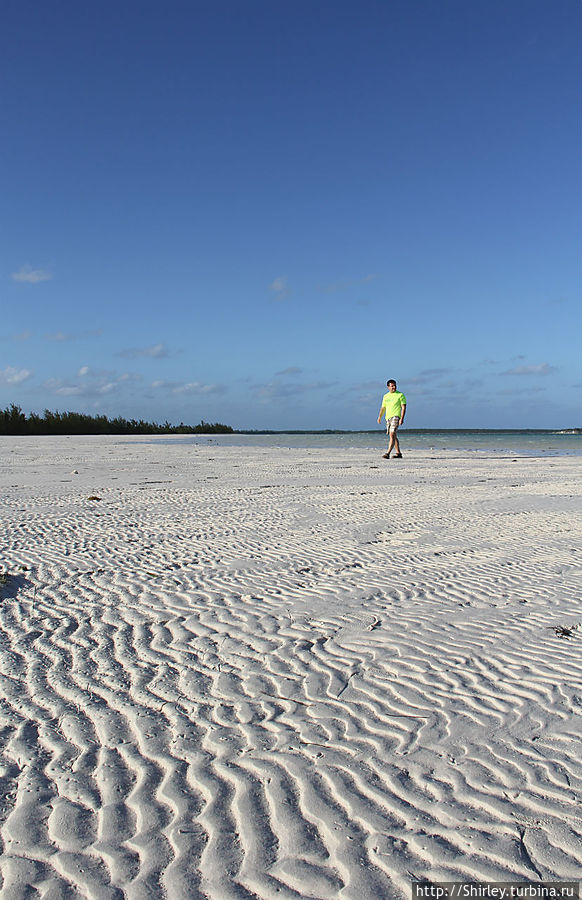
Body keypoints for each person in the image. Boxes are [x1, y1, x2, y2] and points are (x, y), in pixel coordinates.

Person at [377, 379, 406, 459]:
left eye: (395, 385)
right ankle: (398, 453)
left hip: (396, 416)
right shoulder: (385, 396)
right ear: (388, 387)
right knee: (393, 436)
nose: (394, 387)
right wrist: (379, 417)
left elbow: (403, 407)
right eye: (392, 386)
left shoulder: (400, 395)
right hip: (388, 418)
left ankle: (387, 453)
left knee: (392, 433)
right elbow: (383, 408)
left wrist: (402, 418)